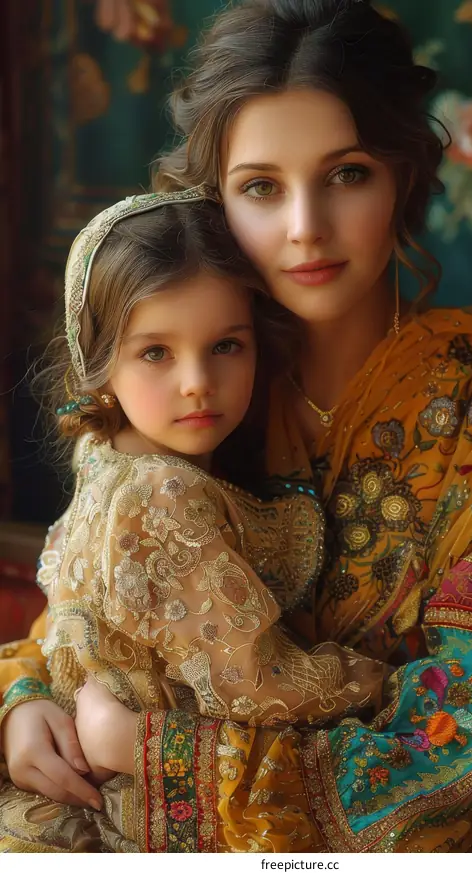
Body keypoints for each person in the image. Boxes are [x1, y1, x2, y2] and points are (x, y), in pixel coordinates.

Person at [2, 0, 472, 853]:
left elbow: (452, 756)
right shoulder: (209, 391)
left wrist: (150, 750)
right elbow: (96, 600)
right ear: (215, 201)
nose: (303, 228)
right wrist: (24, 706)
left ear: (401, 174)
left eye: (346, 174)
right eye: (260, 187)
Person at [0, 185, 387, 851]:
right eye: (156, 351)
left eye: (226, 346)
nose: (196, 382)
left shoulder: (103, 455)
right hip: (135, 803)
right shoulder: (163, 495)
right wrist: (377, 684)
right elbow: (253, 684)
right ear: (98, 366)